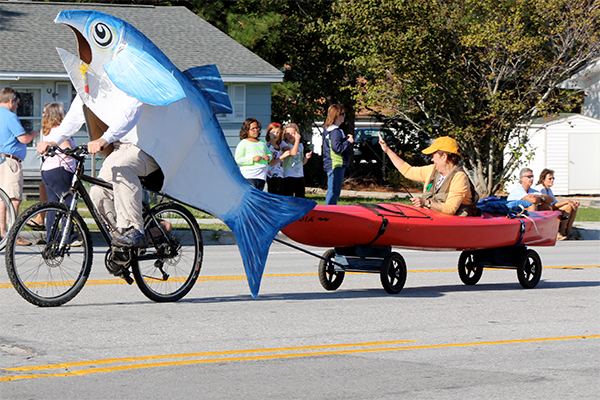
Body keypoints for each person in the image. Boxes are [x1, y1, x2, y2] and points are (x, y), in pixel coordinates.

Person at [38, 94, 160, 248]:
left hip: (146, 145)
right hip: (121, 146)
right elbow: (74, 117)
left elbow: (130, 111)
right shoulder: (88, 80)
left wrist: (105, 138)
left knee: (122, 170)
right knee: (97, 191)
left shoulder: (124, 78)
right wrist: (53, 141)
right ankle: (120, 242)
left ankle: (134, 230)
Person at [379, 135, 477, 216]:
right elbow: (408, 171)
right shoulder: (431, 170)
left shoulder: (459, 177)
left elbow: (450, 209)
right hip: (433, 219)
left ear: (444, 157)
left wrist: (426, 203)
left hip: (456, 225)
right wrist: (387, 150)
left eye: (434, 155)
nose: (432, 159)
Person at [0, 88, 39, 245]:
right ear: (11, 101)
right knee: (13, 199)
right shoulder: (10, 117)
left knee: (2, 198)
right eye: (17, 103)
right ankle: (12, 234)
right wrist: (33, 135)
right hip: (10, 162)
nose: (17, 106)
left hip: (1, 160)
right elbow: (23, 139)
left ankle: (2, 232)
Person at [39, 102, 81, 246]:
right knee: (68, 204)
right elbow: (67, 149)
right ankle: (68, 237)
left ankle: (53, 238)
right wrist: (78, 152)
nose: (43, 114)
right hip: (61, 170)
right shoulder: (59, 131)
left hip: (47, 170)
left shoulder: (48, 131)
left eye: (44, 112)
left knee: (52, 205)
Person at [535, 168, 580, 240]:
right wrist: (567, 201)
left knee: (573, 205)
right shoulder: (540, 189)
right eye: (550, 178)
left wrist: (571, 201)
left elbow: (555, 204)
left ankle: (569, 232)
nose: (552, 180)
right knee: (568, 207)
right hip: (542, 212)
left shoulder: (548, 190)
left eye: (553, 178)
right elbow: (549, 206)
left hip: (550, 209)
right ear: (543, 179)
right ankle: (562, 233)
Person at [322, 105, 352, 205]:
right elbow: (337, 148)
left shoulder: (330, 130)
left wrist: (344, 139)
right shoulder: (335, 131)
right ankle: (329, 211)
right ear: (336, 116)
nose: (344, 116)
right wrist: (348, 142)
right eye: (342, 114)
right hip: (335, 164)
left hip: (333, 163)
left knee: (334, 190)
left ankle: (330, 210)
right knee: (334, 191)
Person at [235, 117, 271, 191]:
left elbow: (269, 153)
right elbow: (238, 159)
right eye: (253, 128)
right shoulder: (243, 143)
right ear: (247, 130)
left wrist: (268, 157)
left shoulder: (262, 143)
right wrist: (252, 159)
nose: (256, 130)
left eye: (257, 128)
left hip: (262, 176)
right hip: (249, 176)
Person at [283, 123, 311, 198]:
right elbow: (293, 153)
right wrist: (297, 140)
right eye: (288, 133)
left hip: (299, 175)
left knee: (301, 196)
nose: (290, 135)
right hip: (288, 175)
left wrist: (306, 158)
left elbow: (301, 162)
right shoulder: (284, 144)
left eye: (293, 133)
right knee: (289, 196)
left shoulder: (300, 145)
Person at [265, 122, 291, 195]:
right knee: (273, 195)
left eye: (278, 132)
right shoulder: (268, 147)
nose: (275, 134)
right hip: (271, 176)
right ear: (268, 134)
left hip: (280, 175)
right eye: (273, 132)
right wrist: (282, 156)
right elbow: (272, 162)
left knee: (280, 195)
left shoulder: (279, 146)